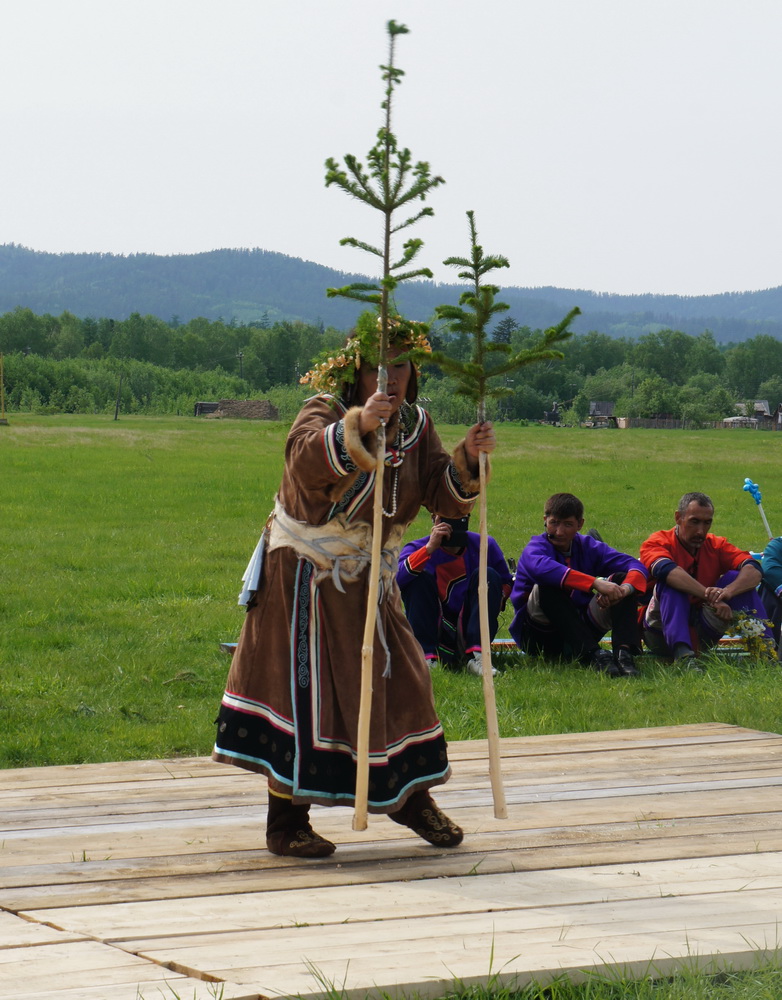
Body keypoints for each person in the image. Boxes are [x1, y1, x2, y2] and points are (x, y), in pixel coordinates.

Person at [212, 319, 496, 858]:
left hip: (373, 581)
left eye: (399, 367)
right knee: (305, 697)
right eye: (375, 368)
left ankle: (412, 799)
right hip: (306, 582)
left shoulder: (416, 425)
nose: (387, 379)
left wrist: (467, 458)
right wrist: (359, 425)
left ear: (412, 374)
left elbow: (441, 491)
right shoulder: (321, 411)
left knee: (406, 680)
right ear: (353, 373)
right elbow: (302, 461)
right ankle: (286, 822)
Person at [509, 492, 648, 676]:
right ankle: (592, 654)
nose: (559, 532)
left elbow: (635, 565)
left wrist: (623, 590)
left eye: (567, 524)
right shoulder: (534, 548)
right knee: (546, 586)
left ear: (580, 524)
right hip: (540, 636)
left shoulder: (589, 547)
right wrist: (595, 583)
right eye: (554, 523)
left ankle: (624, 654)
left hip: (582, 625)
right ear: (545, 520)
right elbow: (542, 569)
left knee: (623, 578)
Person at [640, 491, 770, 664]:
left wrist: (727, 593)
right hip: (660, 632)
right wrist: (710, 596)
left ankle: (766, 651)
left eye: (707, 523)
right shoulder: (657, 542)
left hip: (702, 628)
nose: (701, 531)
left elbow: (754, 570)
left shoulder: (716, 545)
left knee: (735, 577)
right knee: (672, 582)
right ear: (678, 518)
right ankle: (683, 657)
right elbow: (668, 572)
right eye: (694, 522)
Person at [397, 514, 513, 675]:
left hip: (470, 625)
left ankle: (477, 656)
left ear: (468, 518)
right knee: (418, 577)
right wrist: (429, 548)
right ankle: (426, 657)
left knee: (488, 575)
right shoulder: (417, 547)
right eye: (446, 517)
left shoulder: (485, 544)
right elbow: (396, 581)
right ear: (434, 519)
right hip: (433, 626)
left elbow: (506, 582)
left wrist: (493, 599)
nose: (452, 524)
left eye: (459, 517)